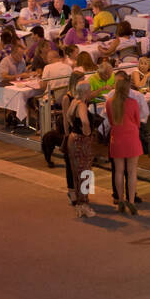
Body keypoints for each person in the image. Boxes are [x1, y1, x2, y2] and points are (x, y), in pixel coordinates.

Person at [106, 71, 146, 214]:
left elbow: (110, 121)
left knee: (118, 171)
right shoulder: (133, 102)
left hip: (116, 137)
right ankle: (131, 201)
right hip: (132, 136)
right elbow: (138, 122)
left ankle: (120, 200)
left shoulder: (109, 102)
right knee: (132, 172)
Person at [62, 73, 98, 217]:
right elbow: (84, 121)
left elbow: (69, 118)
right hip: (82, 141)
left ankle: (79, 203)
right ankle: (84, 203)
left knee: (77, 172)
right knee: (86, 172)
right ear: (86, 92)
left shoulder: (74, 102)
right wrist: (88, 132)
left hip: (73, 139)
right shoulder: (82, 105)